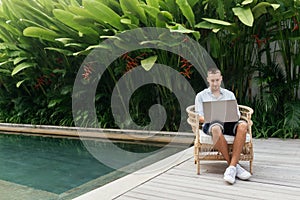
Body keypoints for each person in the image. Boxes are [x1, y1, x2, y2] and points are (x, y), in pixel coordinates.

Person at [195, 67, 251, 184]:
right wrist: (213, 117)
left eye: (217, 80)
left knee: (243, 126)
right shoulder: (201, 96)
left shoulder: (229, 94)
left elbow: (237, 114)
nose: (215, 83)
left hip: (228, 122)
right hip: (211, 123)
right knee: (215, 127)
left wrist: (230, 116)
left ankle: (232, 167)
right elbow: (199, 117)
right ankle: (234, 166)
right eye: (212, 81)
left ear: (221, 79)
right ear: (208, 80)